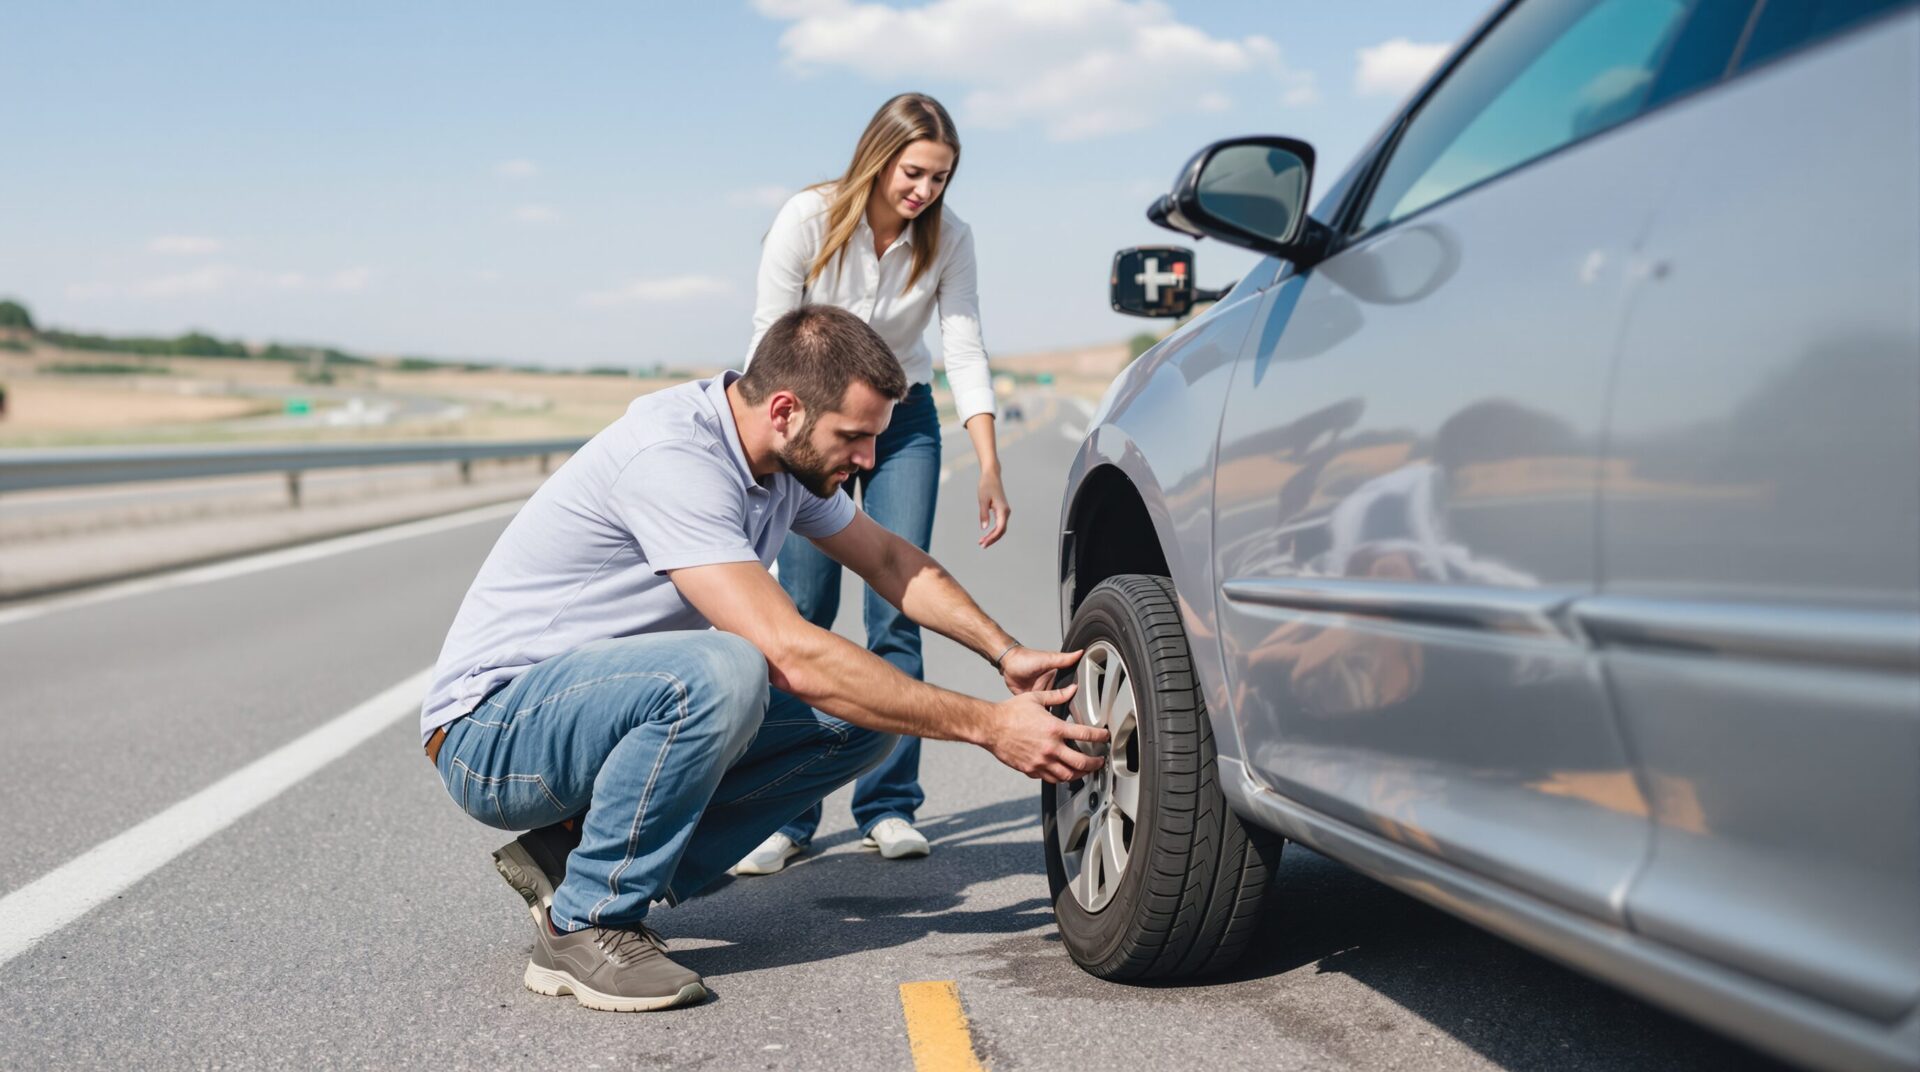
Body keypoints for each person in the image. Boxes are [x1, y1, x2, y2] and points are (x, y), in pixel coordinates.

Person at [420, 305, 1103, 1013]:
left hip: (589, 716)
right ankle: (586, 923)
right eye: (857, 437)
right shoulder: (674, 458)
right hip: (491, 733)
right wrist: (991, 727)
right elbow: (791, 654)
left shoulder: (783, 466)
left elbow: (894, 561)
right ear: (785, 409)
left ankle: (572, 860)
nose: (869, 459)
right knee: (726, 671)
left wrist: (1006, 653)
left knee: (871, 716)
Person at [733, 92, 1002, 875]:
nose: (924, 191)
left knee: (896, 608)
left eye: (940, 179)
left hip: (906, 419)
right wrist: (767, 451)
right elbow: (768, 336)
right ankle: (787, 812)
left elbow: (963, 342)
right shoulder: (809, 218)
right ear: (880, 158)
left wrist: (987, 458)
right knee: (802, 612)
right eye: (915, 173)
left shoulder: (949, 238)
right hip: (812, 428)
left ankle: (888, 806)